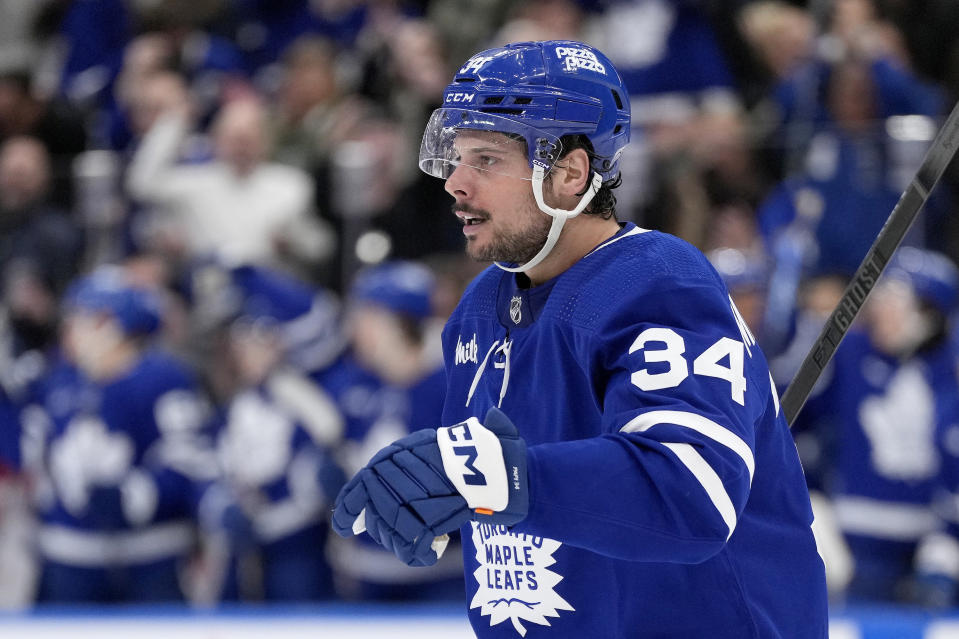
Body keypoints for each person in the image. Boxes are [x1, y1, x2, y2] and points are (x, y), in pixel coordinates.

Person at [332, 39, 828, 637]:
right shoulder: (477, 311)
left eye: (486, 159)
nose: (455, 183)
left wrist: (492, 476)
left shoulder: (655, 283)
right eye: (456, 157)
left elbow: (689, 494)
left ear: (570, 173)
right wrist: (445, 494)